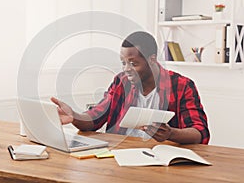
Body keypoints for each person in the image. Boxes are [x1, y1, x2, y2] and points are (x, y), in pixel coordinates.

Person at [51, 31, 210, 144]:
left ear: (152, 60)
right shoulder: (121, 82)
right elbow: (94, 119)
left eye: (133, 63)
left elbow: (199, 132)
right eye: (123, 62)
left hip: (162, 159)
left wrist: (171, 133)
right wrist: (73, 115)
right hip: (120, 155)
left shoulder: (182, 85)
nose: (126, 69)